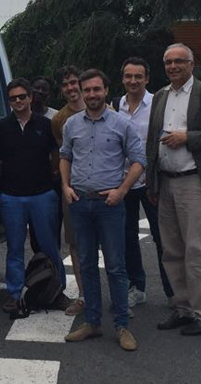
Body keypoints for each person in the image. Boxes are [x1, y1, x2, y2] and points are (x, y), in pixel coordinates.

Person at [146, 43, 201, 336]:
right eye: (168, 62)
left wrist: (188, 138)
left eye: (179, 61)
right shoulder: (160, 96)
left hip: (194, 181)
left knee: (198, 250)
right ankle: (183, 308)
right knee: (171, 251)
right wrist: (152, 181)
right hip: (166, 180)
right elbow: (151, 142)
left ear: (191, 64)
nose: (173, 67)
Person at [60, 69, 145, 352]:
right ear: (82, 93)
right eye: (87, 90)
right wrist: (65, 186)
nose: (92, 94)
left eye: (97, 89)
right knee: (85, 264)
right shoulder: (72, 124)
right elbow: (65, 156)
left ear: (106, 90)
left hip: (110, 205)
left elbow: (138, 161)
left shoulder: (122, 124)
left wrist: (122, 190)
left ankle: (122, 325)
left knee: (116, 267)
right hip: (81, 203)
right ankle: (93, 322)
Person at [0, 79, 68, 313]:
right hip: (12, 196)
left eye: (22, 97)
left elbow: (57, 152)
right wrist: (5, 181)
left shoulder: (45, 124)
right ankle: (14, 294)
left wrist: (53, 173)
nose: (18, 101)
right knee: (14, 248)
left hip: (42, 194)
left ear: (30, 98)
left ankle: (57, 291)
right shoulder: (1, 127)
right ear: (9, 101)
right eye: (13, 98)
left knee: (49, 246)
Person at [115, 58, 173, 309]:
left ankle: (173, 293)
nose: (133, 81)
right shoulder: (118, 104)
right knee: (128, 238)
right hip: (125, 182)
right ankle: (137, 288)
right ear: (123, 79)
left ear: (147, 79)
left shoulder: (158, 103)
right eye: (128, 76)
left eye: (138, 76)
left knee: (163, 239)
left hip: (151, 182)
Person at [50, 66, 86, 315]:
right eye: (65, 85)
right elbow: (63, 155)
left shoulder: (105, 108)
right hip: (73, 189)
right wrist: (65, 186)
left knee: (111, 243)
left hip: (103, 188)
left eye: (74, 82)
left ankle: (121, 296)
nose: (71, 88)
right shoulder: (59, 119)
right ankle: (84, 295)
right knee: (75, 243)